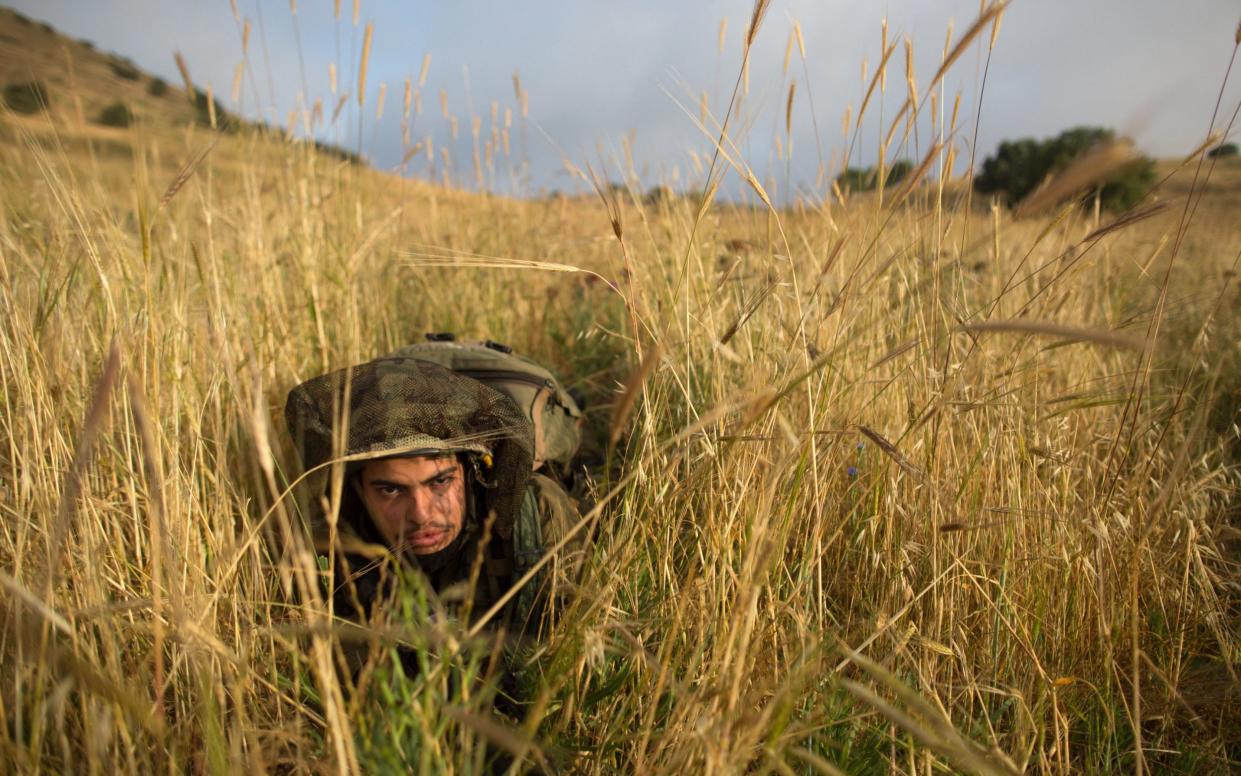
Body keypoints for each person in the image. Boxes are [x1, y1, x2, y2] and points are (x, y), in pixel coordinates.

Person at [283, 353, 583, 680]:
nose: (421, 514)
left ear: (470, 474)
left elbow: (567, 645)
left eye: (439, 482)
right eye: (391, 490)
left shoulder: (536, 511)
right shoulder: (329, 544)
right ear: (358, 490)